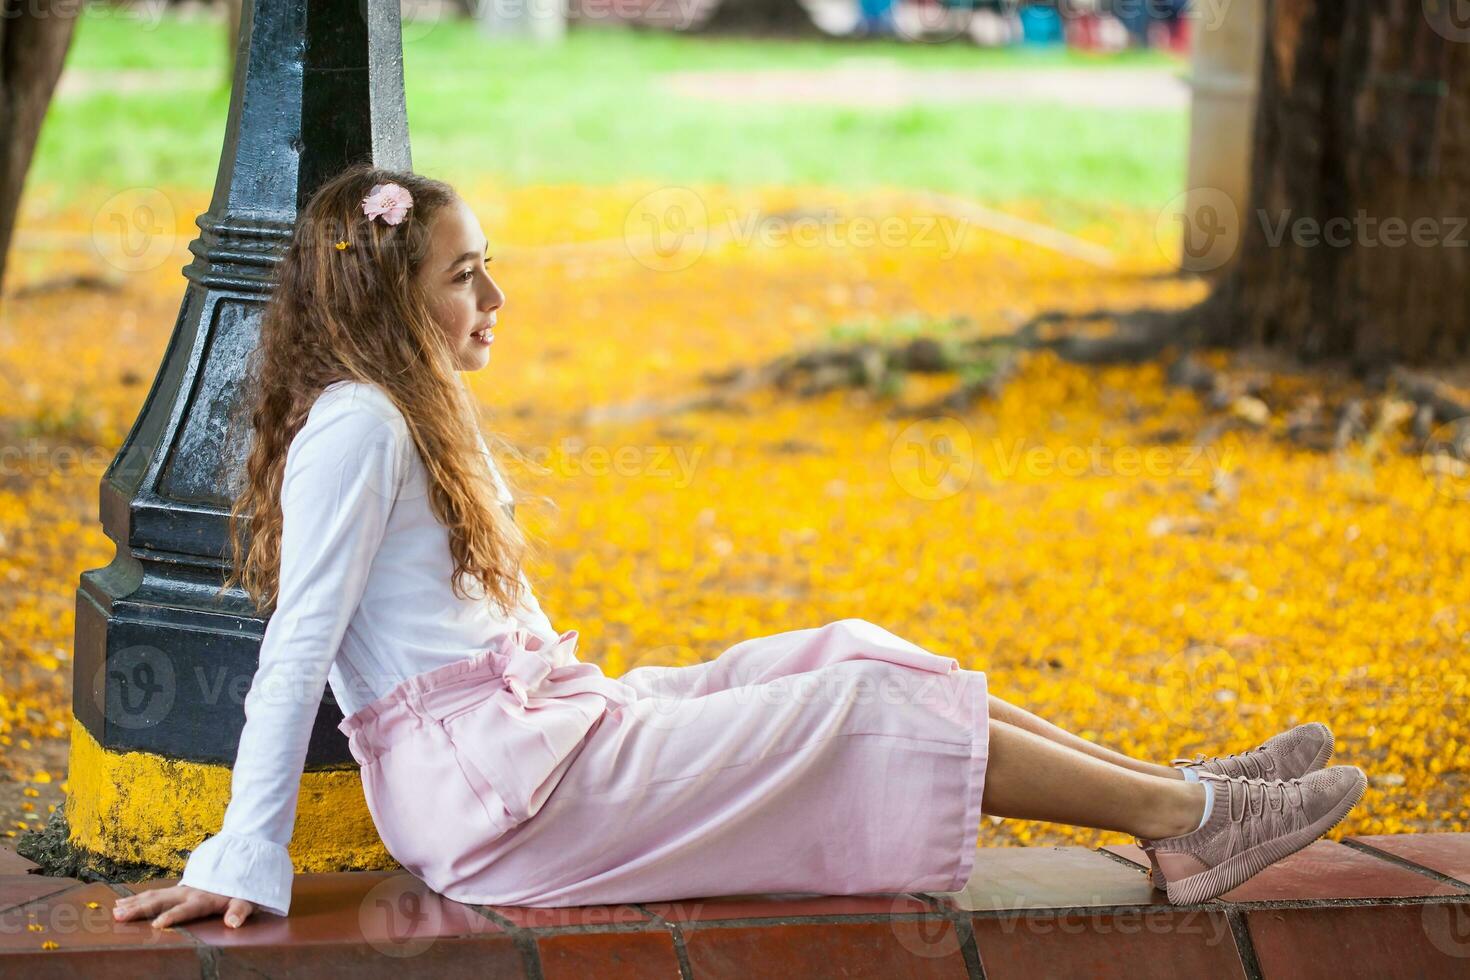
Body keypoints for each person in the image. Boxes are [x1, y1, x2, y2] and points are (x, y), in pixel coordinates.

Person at [112, 164, 1367, 930]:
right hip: (502, 807)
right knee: (866, 703)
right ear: (391, 297)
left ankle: (1175, 795)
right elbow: (296, 649)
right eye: (466, 276)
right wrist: (246, 855)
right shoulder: (358, 426)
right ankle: (1196, 815)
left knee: (856, 647)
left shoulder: (407, 408)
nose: (495, 301)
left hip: (541, 746)